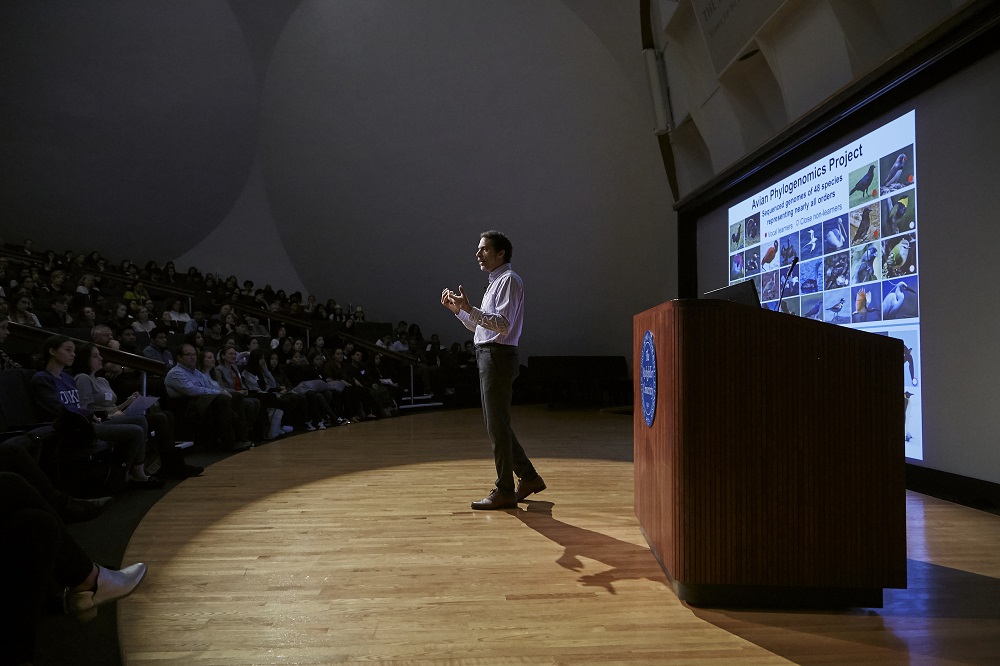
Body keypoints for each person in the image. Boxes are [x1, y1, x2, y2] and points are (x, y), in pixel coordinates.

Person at [440, 230, 544, 510]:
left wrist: (471, 308)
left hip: (497, 357)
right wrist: (460, 312)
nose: (478, 254)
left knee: (497, 425)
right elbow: (483, 327)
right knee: (497, 425)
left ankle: (505, 490)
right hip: (490, 355)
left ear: (501, 254)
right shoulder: (496, 282)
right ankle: (529, 477)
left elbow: (503, 324)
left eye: (484, 249)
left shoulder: (509, 280)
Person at [28, 335, 161, 489]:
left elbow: (77, 406)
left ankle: (134, 473)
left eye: (74, 351)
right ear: (52, 351)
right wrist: (90, 416)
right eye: (68, 350)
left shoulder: (67, 379)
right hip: (68, 428)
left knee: (139, 420)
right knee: (135, 430)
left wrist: (94, 416)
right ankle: (121, 475)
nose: (73, 354)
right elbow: (58, 407)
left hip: (84, 423)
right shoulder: (42, 378)